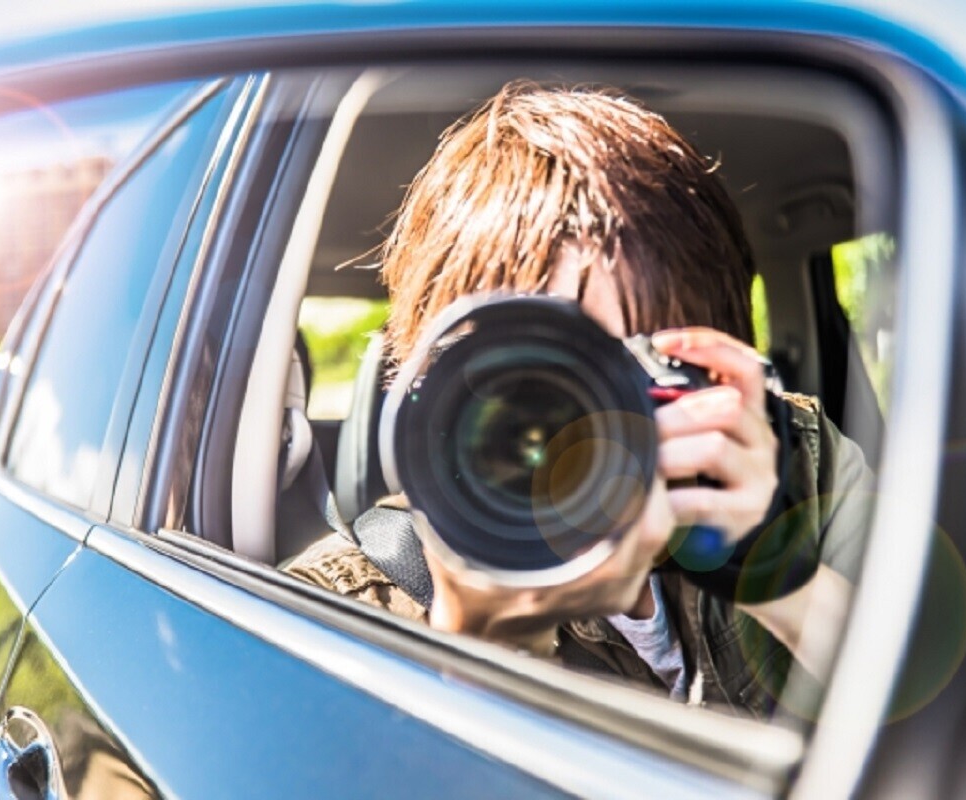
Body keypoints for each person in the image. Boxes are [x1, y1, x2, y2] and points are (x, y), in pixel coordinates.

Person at [287, 81, 872, 720]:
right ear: (429, 382)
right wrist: (479, 649)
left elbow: (959, 707)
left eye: (632, 365)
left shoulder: (791, 467)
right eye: (525, 377)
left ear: (706, 364)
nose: (577, 430)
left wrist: (780, 579)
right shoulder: (337, 614)